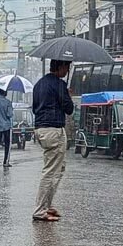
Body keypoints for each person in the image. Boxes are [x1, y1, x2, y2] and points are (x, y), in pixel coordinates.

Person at [32, 59, 74, 222]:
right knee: (51, 171)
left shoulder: (39, 84)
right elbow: (69, 109)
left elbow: (35, 107)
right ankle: (40, 210)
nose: (67, 71)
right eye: (67, 67)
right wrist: (68, 95)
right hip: (53, 129)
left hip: (42, 128)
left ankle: (47, 206)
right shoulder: (59, 85)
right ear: (61, 67)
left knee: (58, 168)